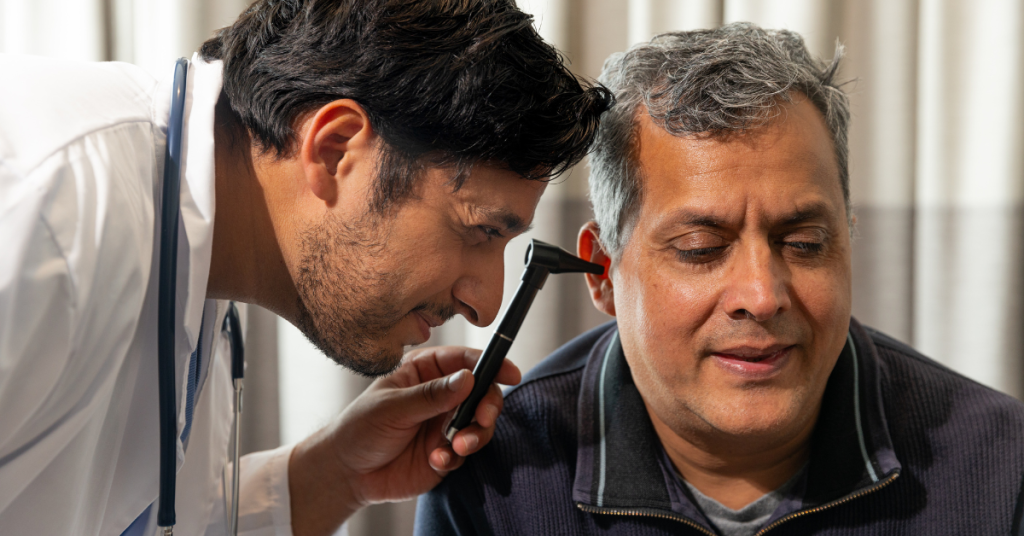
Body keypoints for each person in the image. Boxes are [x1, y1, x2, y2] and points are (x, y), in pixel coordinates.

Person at [0, 0, 611, 534]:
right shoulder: (41, 206)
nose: (484, 305)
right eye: (480, 229)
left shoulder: (194, 235)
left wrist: (340, 471)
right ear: (335, 149)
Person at [416, 23, 1024, 535]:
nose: (762, 296)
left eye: (805, 244)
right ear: (602, 271)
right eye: (701, 248)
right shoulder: (495, 483)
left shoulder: (1000, 468)